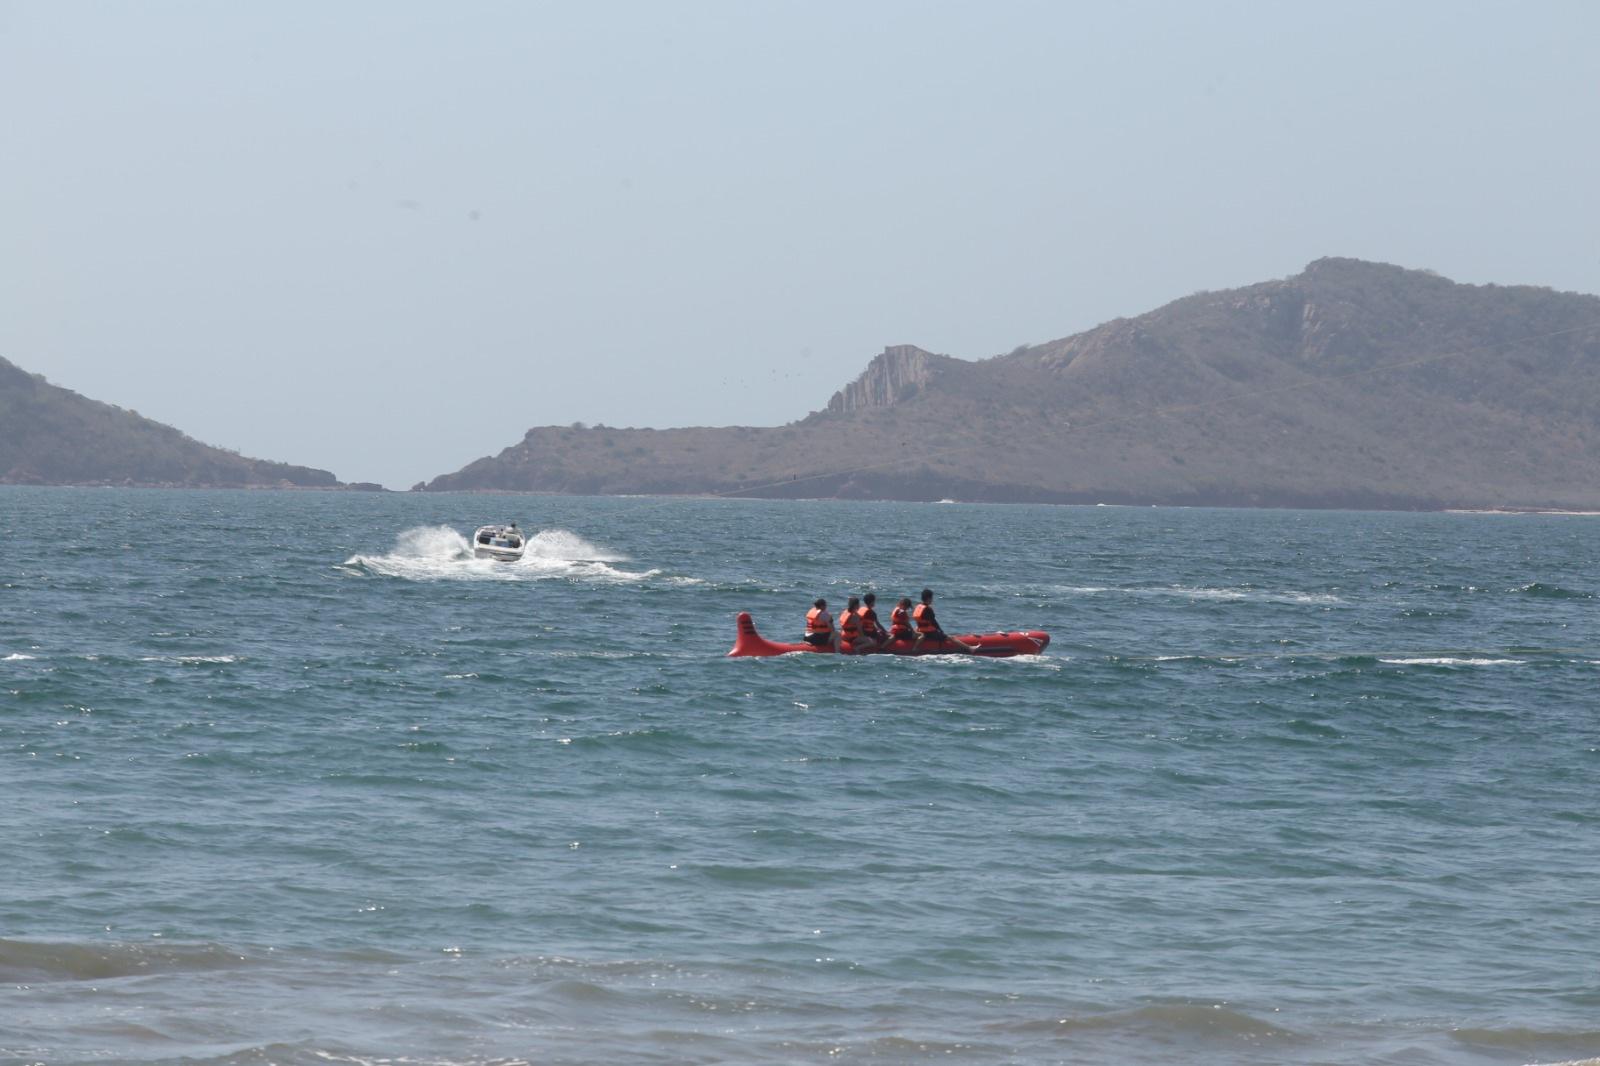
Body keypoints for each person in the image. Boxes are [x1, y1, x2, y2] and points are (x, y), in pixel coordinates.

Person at [912, 588, 975, 652]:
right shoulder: (928, 609)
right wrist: (941, 631)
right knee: (951, 637)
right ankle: (970, 648)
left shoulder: (918, 606)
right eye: (932, 598)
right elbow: (934, 622)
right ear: (929, 598)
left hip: (920, 631)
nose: (932, 600)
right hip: (929, 633)